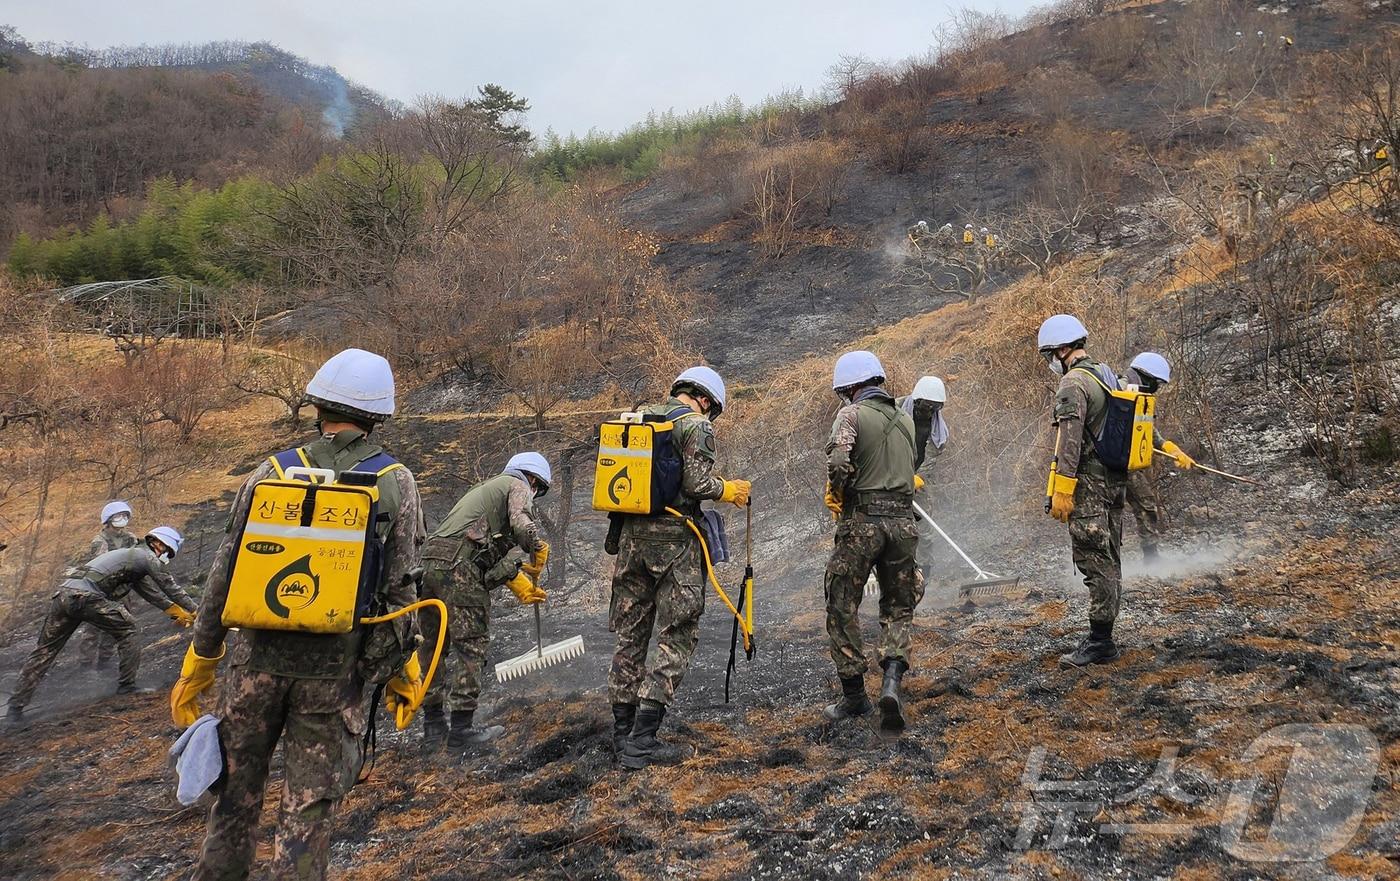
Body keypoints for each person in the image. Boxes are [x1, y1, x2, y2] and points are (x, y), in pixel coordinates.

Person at [169, 348, 425, 881]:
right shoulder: (397, 483)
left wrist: (202, 658)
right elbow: (401, 591)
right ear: (378, 413)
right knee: (308, 809)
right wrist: (404, 669)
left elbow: (226, 570)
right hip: (334, 677)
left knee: (234, 798)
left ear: (320, 405)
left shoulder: (273, 471)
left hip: (253, 667)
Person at [610, 366, 750, 770]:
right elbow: (696, 484)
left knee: (630, 635)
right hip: (675, 542)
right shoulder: (697, 426)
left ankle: (621, 734)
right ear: (705, 399)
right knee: (679, 632)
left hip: (631, 541)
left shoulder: (638, 417)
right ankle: (642, 740)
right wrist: (730, 489)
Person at [417, 452, 550, 751]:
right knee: (471, 646)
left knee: (433, 645)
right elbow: (521, 523)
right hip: (458, 568)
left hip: (429, 565)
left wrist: (515, 576)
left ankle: (433, 726)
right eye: (538, 489)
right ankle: (462, 730)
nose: (535, 495)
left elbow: (481, 568)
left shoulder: (483, 494)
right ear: (532, 479)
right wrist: (536, 545)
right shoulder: (516, 485)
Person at [822, 351, 922, 732]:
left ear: (849, 386)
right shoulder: (906, 420)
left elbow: (838, 463)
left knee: (841, 601)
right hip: (903, 522)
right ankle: (892, 682)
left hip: (862, 522)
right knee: (899, 605)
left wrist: (837, 491)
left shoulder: (850, 415)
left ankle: (854, 698)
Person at [5, 526, 196, 723]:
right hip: (87, 597)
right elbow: (170, 586)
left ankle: (15, 708)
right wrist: (198, 611)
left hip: (63, 595)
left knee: (44, 651)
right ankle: (127, 685)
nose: (165, 557)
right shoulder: (146, 558)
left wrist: (175, 611)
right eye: (167, 552)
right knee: (129, 630)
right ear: (157, 543)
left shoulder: (131, 558)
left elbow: (151, 593)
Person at [1038, 315, 1127, 668]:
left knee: (1094, 558)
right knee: (1110, 555)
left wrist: (1064, 487)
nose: (1049, 362)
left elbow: (1070, 440)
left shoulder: (1073, 383)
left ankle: (1101, 642)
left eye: (1049, 354)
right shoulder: (1105, 375)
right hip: (1113, 481)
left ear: (1062, 349)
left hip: (1089, 484)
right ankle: (1104, 634)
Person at [1119, 353, 1195, 562]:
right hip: (1108, 464)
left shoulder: (1143, 397)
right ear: (1147, 376)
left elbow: (1147, 431)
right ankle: (1108, 564)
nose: (1157, 388)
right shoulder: (1118, 389)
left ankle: (1151, 558)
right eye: (1157, 383)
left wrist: (1170, 448)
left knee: (1145, 504)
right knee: (1110, 512)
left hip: (1129, 464)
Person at [77, 500, 141, 669]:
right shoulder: (100, 541)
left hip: (122, 590)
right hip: (100, 589)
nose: (122, 520)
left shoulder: (130, 538)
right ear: (109, 519)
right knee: (93, 626)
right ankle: (86, 664)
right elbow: (103, 564)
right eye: (118, 516)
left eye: (124, 516)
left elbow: (139, 558)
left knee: (117, 625)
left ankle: (105, 660)